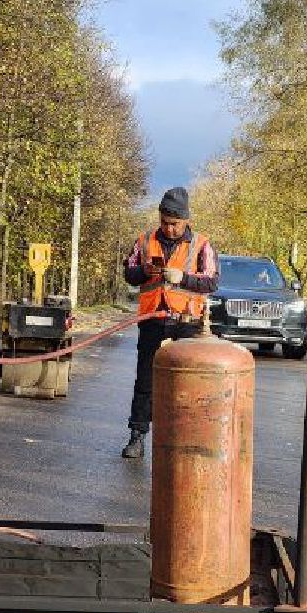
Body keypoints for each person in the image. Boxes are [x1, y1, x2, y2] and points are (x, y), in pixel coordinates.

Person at [121, 187, 219, 458]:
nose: (168, 228)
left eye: (174, 224)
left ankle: (188, 441)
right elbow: (129, 273)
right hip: (152, 321)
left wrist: (183, 278)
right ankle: (137, 437)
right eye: (164, 222)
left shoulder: (202, 245)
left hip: (187, 324)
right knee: (145, 381)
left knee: (187, 384)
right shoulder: (144, 240)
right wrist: (144, 271)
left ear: (185, 220)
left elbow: (211, 281)